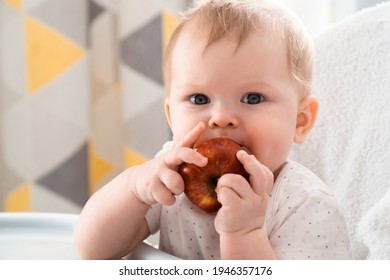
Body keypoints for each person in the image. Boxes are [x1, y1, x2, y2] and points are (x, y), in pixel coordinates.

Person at [75, 0, 350, 260]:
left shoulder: (307, 206)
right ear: (171, 117)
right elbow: (94, 250)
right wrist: (134, 189)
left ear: (300, 121)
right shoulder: (172, 178)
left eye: (252, 98)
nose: (220, 118)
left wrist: (245, 234)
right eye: (199, 99)